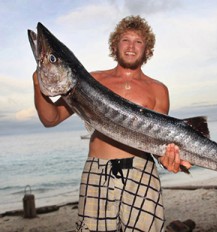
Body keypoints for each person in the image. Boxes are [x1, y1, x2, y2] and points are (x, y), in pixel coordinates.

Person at [33, 15, 191, 232]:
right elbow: (51, 118)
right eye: (125, 40)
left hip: (142, 172)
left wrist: (169, 161)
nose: (131, 47)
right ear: (115, 45)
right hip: (96, 170)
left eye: (139, 41)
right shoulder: (91, 80)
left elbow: (157, 145)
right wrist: (37, 81)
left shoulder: (158, 90)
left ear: (147, 49)